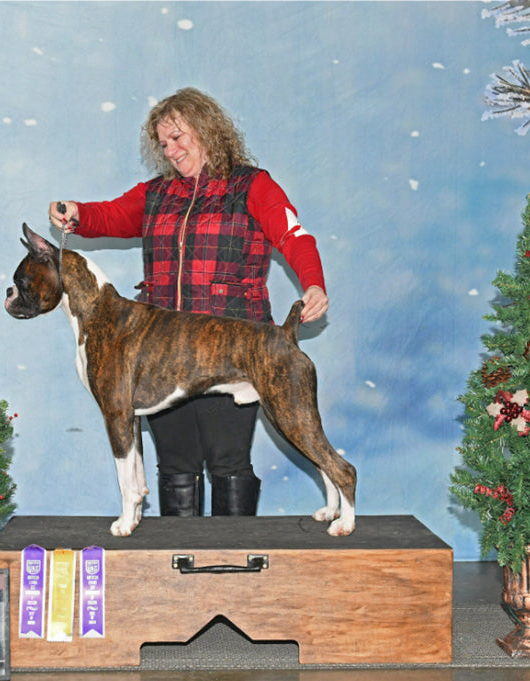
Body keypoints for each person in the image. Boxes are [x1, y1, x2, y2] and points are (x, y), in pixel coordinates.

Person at [49, 87, 329, 518]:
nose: (171, 151)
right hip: (162, 351)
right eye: (163, 144)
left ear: (207, 131)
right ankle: (178, 567)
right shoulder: (157, 193)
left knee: (228, 462)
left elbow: (294, 236)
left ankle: (233, 561)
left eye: (178, 138)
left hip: (235, 344)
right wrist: (78, 212)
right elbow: (111, 215)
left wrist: (312, 283)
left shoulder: (253, 185)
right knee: (176, 463)